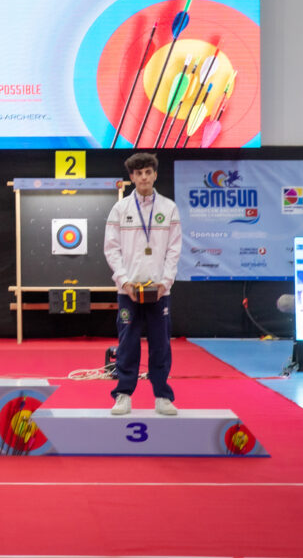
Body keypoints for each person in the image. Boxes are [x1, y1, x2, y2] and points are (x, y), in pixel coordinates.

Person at [104, 152, 182, 416]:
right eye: (139, 173)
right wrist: (124, 281)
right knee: (128, 343)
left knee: (161, 344)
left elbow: (174, 250)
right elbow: (111, 249)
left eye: (148, 172)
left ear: (155, 175)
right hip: (128, 291)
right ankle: (123, 394)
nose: (144, 177)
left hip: (160, 291)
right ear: (132, 177)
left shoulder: (169, 208)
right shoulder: (120, 209)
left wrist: (165, 282)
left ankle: (162, 396)